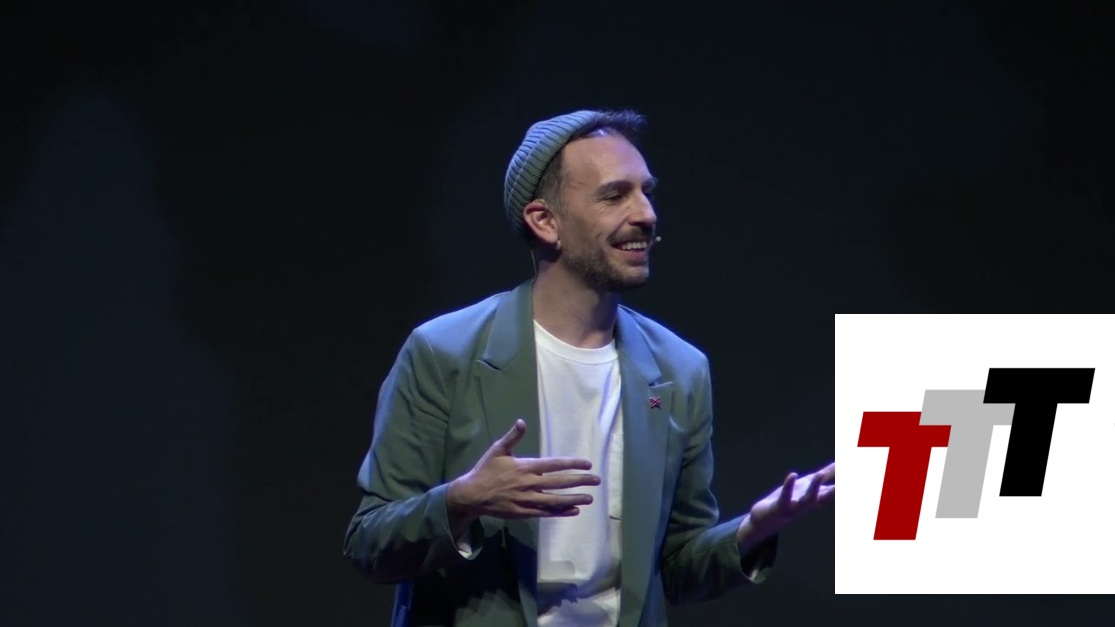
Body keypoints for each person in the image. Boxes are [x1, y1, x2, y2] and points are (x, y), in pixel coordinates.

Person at [343, 109, 835, 627]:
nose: (646, 213)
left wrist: (752, 530)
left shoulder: (678, 369)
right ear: (545, 221)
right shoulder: (445, 352)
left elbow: (676, 570)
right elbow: (370, 542)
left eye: (647, 191)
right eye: (614, 195)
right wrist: (462, 501)